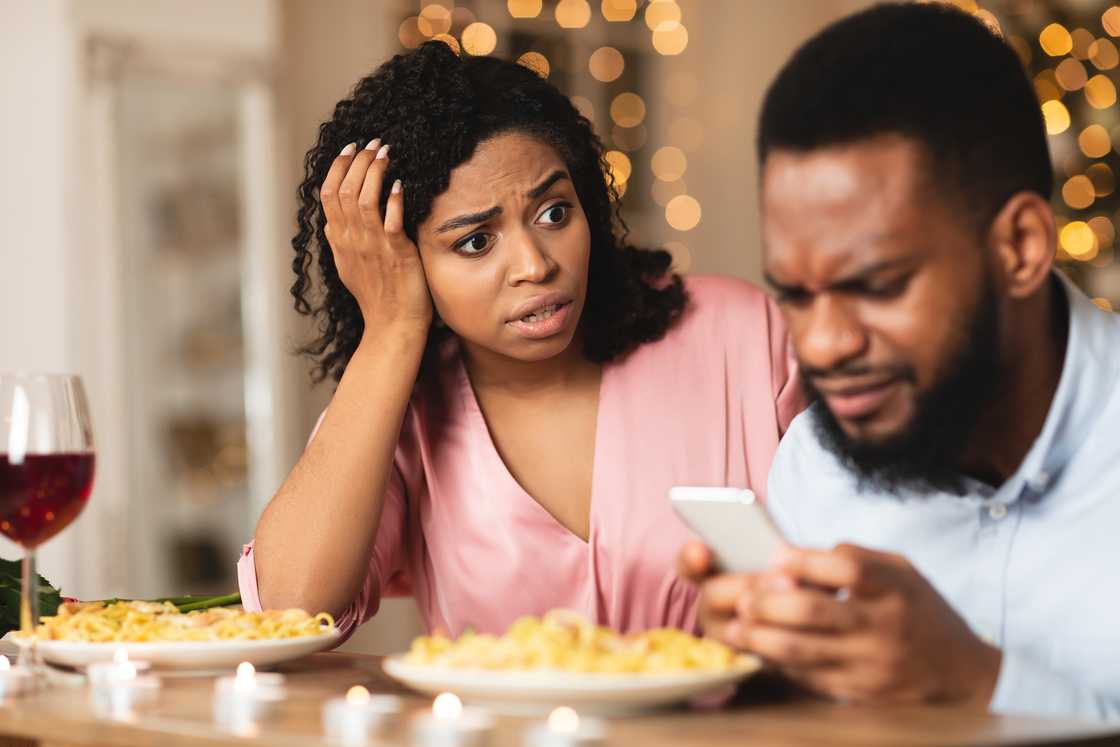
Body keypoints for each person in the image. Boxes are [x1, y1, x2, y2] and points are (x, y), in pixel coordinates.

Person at [239, 41, 802, 640]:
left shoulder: (741, 334)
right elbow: (289, 612)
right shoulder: (401, 407)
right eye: (476, 242)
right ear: (400, 260)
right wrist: (391, 331)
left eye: (554, 213)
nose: (535, 264)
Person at [680, 2, 1120, 721]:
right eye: (794, 294)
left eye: (877, 286)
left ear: (1021, 248)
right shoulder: (816, 466)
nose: (822, 345)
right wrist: (758, 679)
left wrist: (978, 682)